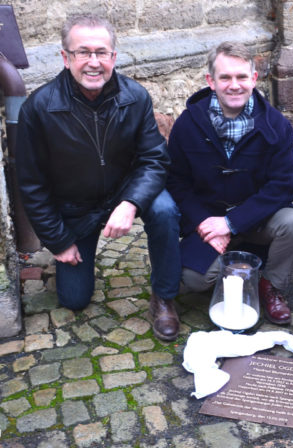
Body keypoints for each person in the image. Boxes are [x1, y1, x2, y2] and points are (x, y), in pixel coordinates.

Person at [16, 14, 182, 341]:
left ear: (113, 57)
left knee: (164, 210)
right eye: (83, 52)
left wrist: (131, 203)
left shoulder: (135, 97)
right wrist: (59, 241)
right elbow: (31, 185)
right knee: (74, 299)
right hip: (76, 207)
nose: (94, 62)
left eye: (101, 53)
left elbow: (154, 159)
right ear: (66, 58)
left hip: (124, 190)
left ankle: (164, 296)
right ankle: (70, 258)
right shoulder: (38, 108)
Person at [166, 41, 293, 325]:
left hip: (259, 218)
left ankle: (269, 285)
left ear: (254, 79)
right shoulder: (187, 124)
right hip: (209, 219)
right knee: (192, 280)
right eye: (225, 77)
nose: (234, 85)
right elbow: (176, 183)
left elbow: (283, 186)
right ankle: (237, 266)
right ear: (211, 81)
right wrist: (208, 225)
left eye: (242, 77)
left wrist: (232, 223)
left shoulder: (276, 124)